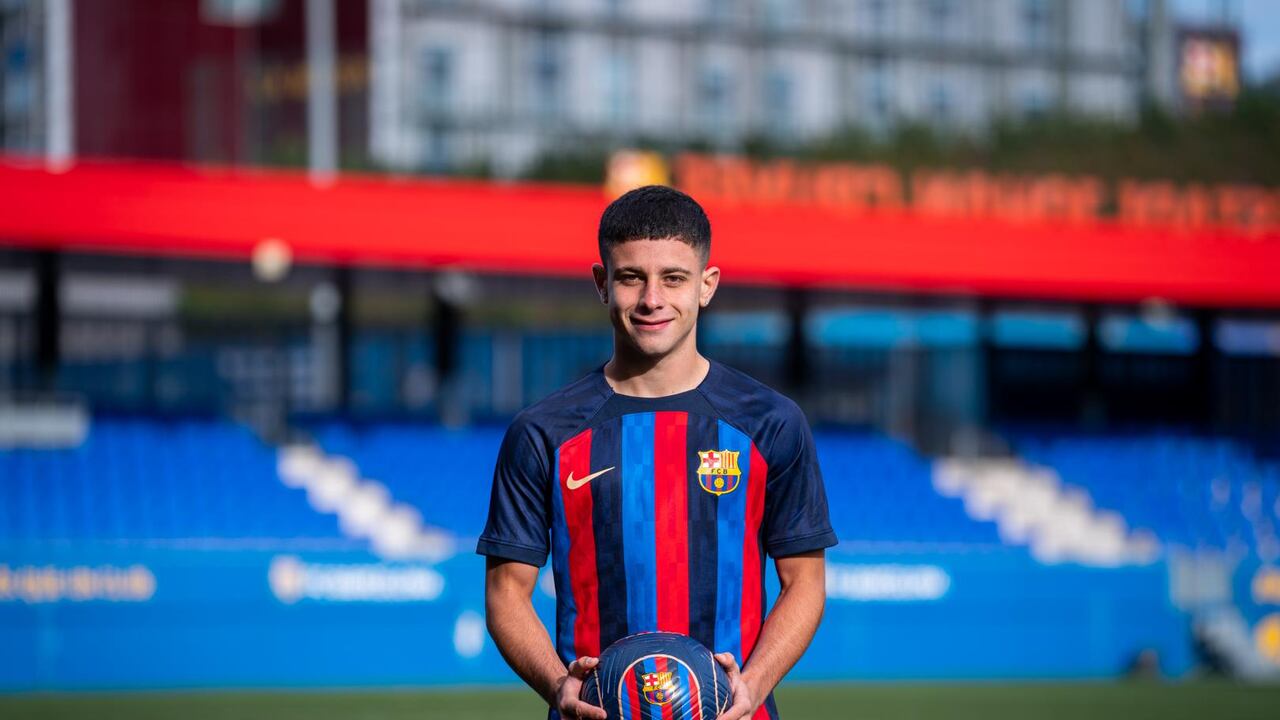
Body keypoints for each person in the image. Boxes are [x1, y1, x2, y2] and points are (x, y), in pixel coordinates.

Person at [478, 185, 836, 720]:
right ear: (602, 284)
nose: (651, 299)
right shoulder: (542, 432)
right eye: (630, 277)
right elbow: (507, 593)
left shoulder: (771, 423)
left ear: (706, 285)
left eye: (673, 277)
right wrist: (558, 685)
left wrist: (753, 686)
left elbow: (804, 582)